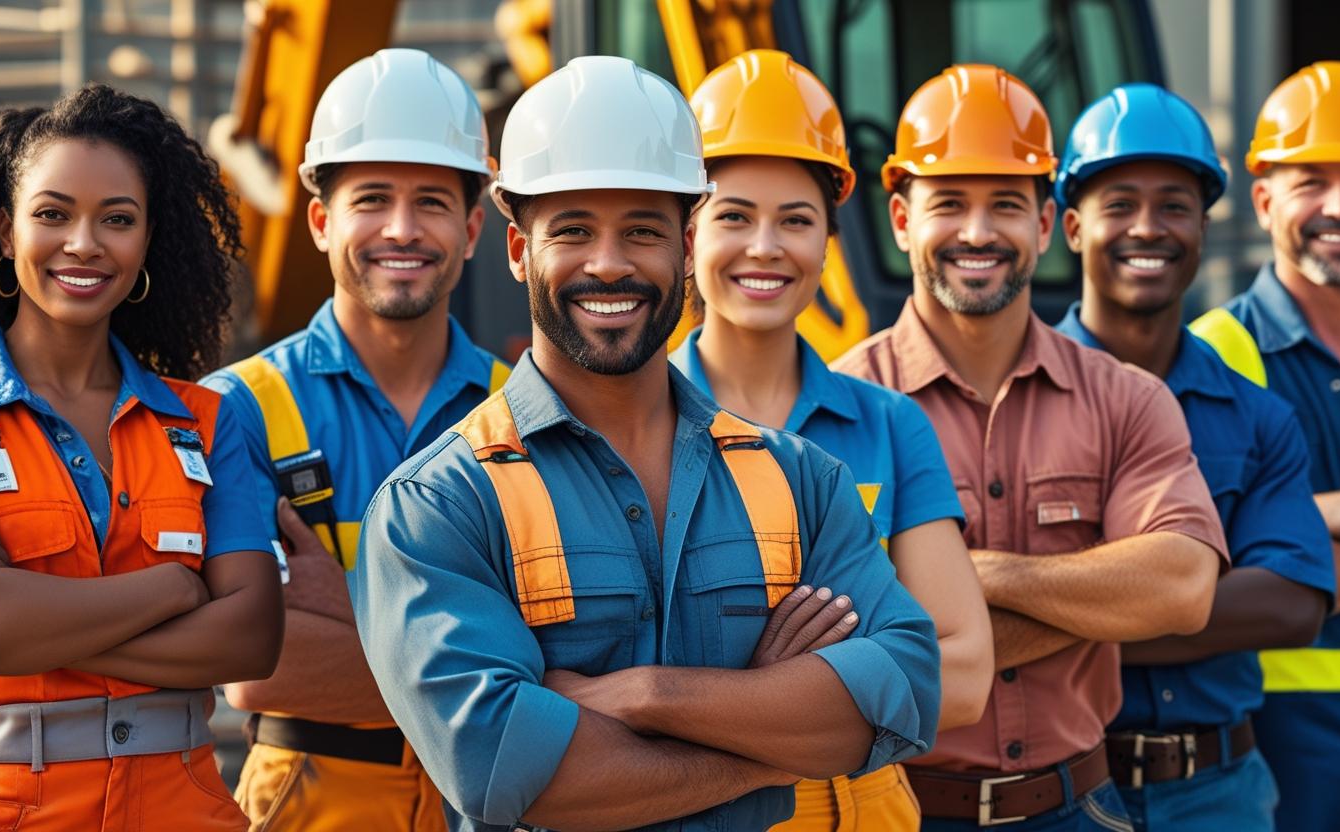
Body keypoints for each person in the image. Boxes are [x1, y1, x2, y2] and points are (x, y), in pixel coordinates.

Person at [351, 55, 942, 832]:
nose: (609, 263)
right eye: (572, 230)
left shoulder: (802, 481)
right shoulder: (439, 504)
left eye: (641, 230)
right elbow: (514, 775)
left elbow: (901, 692)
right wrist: (782, 735)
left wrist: (646, 695)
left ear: (686, 243)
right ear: (518, 249)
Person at [833, 64, 1228, 830]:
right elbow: (843, 646)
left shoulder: (1126, 398)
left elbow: (1182, 587)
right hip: (902, 809)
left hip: (1080, 806)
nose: (978, 234)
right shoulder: (842, 411)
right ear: (903, 219)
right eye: (949, 203)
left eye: (1006, 206)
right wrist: (1105, 599)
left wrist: (976, 576)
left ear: (1045, 225)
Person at [669, 48, 993, 831]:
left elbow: (966, 675)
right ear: (686, 234)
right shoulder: (627, 426)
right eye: (734, 215)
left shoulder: (890, 425)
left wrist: (731, 692)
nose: (765, 247)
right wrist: (854, 672)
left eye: (797, 220)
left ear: (828, 241)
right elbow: (593, 685)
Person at [0, 84, 281, 831]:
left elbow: (254, 636)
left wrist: (37, 622)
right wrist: (173, 587)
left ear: (147, 241)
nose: (84, 243)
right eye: (52, 214)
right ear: (6, 232)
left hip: (189, 809)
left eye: (118, 220)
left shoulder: (206, 421)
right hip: (8, 812)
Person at [202, 49, 508, 831]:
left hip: (493, 803)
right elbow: (257, 669)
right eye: (371, 199)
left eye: (432, 202)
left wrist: (344, 608)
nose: (402, 230)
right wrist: (489, 664)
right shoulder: (236, 409)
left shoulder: (526, 409)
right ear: (320, 221)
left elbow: (577, 653)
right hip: (309, 802)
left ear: (473, 228)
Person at [1052, 82, 1336, 831]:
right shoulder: (1014, 401)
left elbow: (1291, 604)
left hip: (1221, 795)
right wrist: (1183, 596)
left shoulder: (1257, 413)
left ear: (1203, 228)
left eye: (1175, 205)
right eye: (1120, 205)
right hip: (1065, 791)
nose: (1149, 227)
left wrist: (1061, 614)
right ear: (1073, 227)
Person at [1189, 60, 1340, 832]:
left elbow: (1271, 561)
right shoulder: (1206, 362)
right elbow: (1205, 573)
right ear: (1262, 200)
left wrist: (1311, 521)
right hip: (1273, 747)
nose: (1339, 207)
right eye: (1309, 181)